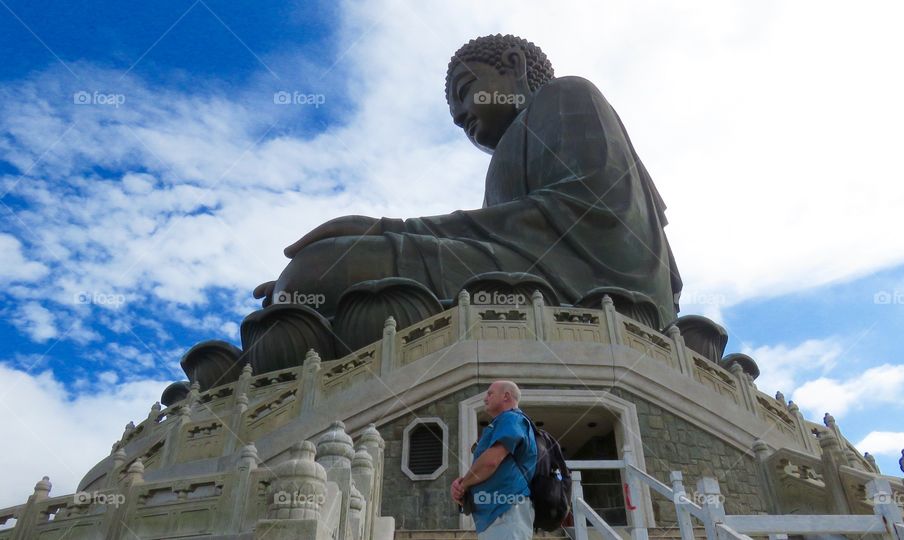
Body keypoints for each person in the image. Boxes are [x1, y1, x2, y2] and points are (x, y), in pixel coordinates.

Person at [256, 34, 682, 326]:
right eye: (455, 116)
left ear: (513, 66)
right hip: (525, 277)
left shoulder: (567, 94)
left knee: (319, 269)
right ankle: (318, 319)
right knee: (310, 276)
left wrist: (395, 231)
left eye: (464, 91)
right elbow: (500, 243)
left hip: (602, 290)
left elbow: (589, 211)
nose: (460, 116)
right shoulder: (513, 147)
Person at [451, 380, 537, 539]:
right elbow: (489, 470)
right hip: (496, 515)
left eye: (490, 394)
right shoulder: (501, 423)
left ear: (506, 396)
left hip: (506, 512)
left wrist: (463, 485)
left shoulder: (511, 418)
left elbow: (490, 462)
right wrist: (464, 487)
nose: (485, 399)